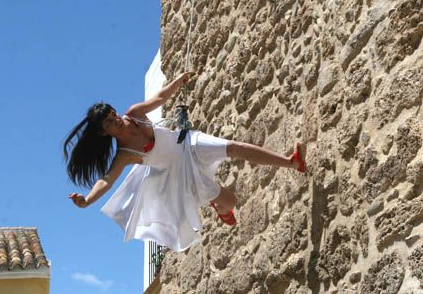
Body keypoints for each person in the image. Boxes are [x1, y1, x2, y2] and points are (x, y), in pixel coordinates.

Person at [64, 72, 306, 252]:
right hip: (180, 174)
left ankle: (291, 162)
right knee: (231, 200)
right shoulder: (125, 153)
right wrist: (86, 201)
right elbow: (107, 180)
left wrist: (177, 83)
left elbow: (159, 98)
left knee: (233, 147)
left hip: (187, 142)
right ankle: (222, 209)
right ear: (103, 133)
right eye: (108, 122)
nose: (115, 120)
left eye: (112, 114)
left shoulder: (134, 114)